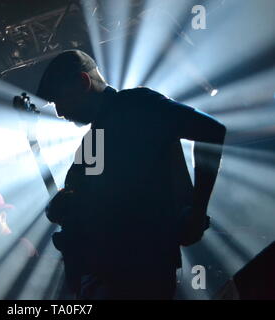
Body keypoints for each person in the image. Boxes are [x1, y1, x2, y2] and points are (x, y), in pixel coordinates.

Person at [37, 50, 226, 299]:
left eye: (59, 100)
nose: (60, 112)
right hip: (108, 273)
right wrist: (58, 207)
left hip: (140, 271)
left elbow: (211, 130)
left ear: (83, 82)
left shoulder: (138, 105)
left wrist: (197, 211)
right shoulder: (94, 139)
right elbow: (76, 197)